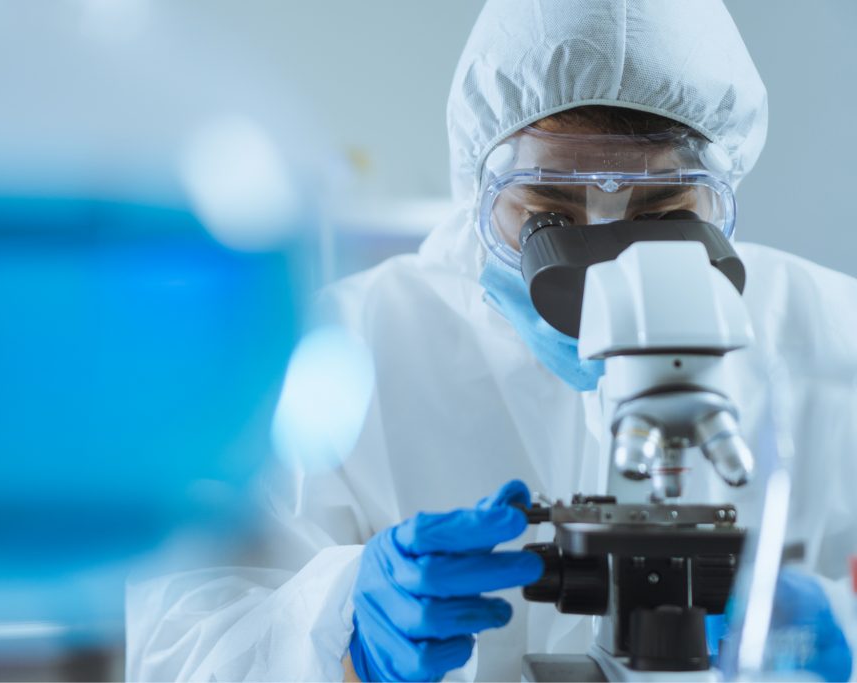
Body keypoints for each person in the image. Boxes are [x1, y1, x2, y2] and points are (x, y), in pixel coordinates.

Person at [126, 1, 857, 680]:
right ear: (480, 188)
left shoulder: (832, 332)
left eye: (664, 217)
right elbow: (175, 642)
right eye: (549, 218)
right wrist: (342, 633)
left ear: (720, 193)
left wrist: (847, 632)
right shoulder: (343, 344)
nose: (603, 269)